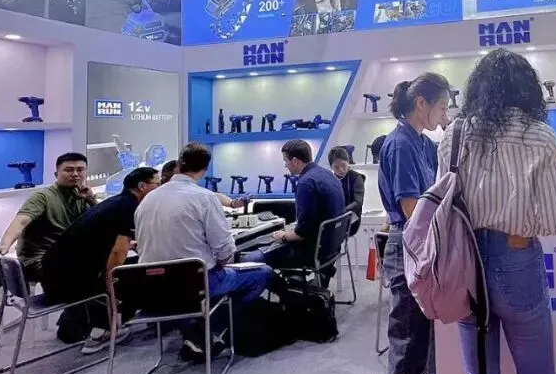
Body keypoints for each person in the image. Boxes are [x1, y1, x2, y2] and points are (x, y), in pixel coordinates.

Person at [438, 48, 556, 374]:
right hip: (517, 259)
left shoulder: (454, 135)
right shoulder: (540, 136)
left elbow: (443, 208)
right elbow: (552, 220)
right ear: (527, 89)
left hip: (466, 267)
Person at [378, 72, 451, 374]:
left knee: (424, 340)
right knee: (407, 349)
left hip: (423, 248)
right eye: (440, 106)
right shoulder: (402, 144)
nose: (443, 114)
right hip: (409, 249)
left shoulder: (423, 142)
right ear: (420, 103)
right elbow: (412, 211)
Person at [135, 143, 274, 362]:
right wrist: (222, 263)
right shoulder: (204, 198)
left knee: (196, 286)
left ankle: (194, 330)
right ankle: (210, 330)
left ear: (179, 164)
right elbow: (225, 250)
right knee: (263, 273)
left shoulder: (147, 200)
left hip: (152, 288)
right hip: (196, 283)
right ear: (205, 169)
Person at [40, 167, 160, 354]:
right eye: (157, 184)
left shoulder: (116, 202)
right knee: (135, 275)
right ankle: (104, 331)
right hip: (67, 283)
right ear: (142, 186)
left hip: (54, 274)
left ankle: (80, 323)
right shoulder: (129, 207)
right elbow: (117, 255)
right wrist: (111, 286)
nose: (160, 188)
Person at [0, 152, 97, 342]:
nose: (75, 174)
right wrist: (4, 246)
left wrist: (91, 199)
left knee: (100, 269)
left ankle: (77, 322)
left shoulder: (81, 196)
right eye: (69, 170)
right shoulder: (43, 196)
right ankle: (75, 328)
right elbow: (21, 221)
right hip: (38, 262)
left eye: (80, 170)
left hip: (62, 259)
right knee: (94, 276)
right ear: (56, 174)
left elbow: (99, 221)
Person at [246, 140, 345, 270]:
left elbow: (302, 232)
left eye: (285, 161)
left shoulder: (306, 183)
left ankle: (280, 283)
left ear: (295, 161)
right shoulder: (328, 174)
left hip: (311, 252)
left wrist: (284, 236)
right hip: (330, 248)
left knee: (249, 258)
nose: (285, 165)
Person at [328, 146, 365, 237]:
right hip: (334, 219)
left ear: (348, 161)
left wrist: (341, 211)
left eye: (343, 165)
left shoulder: (356, 178)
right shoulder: (329, 179)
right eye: (336, 167)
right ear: (331, 167)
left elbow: (358, 202)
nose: (341, 170)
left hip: (351, 220)